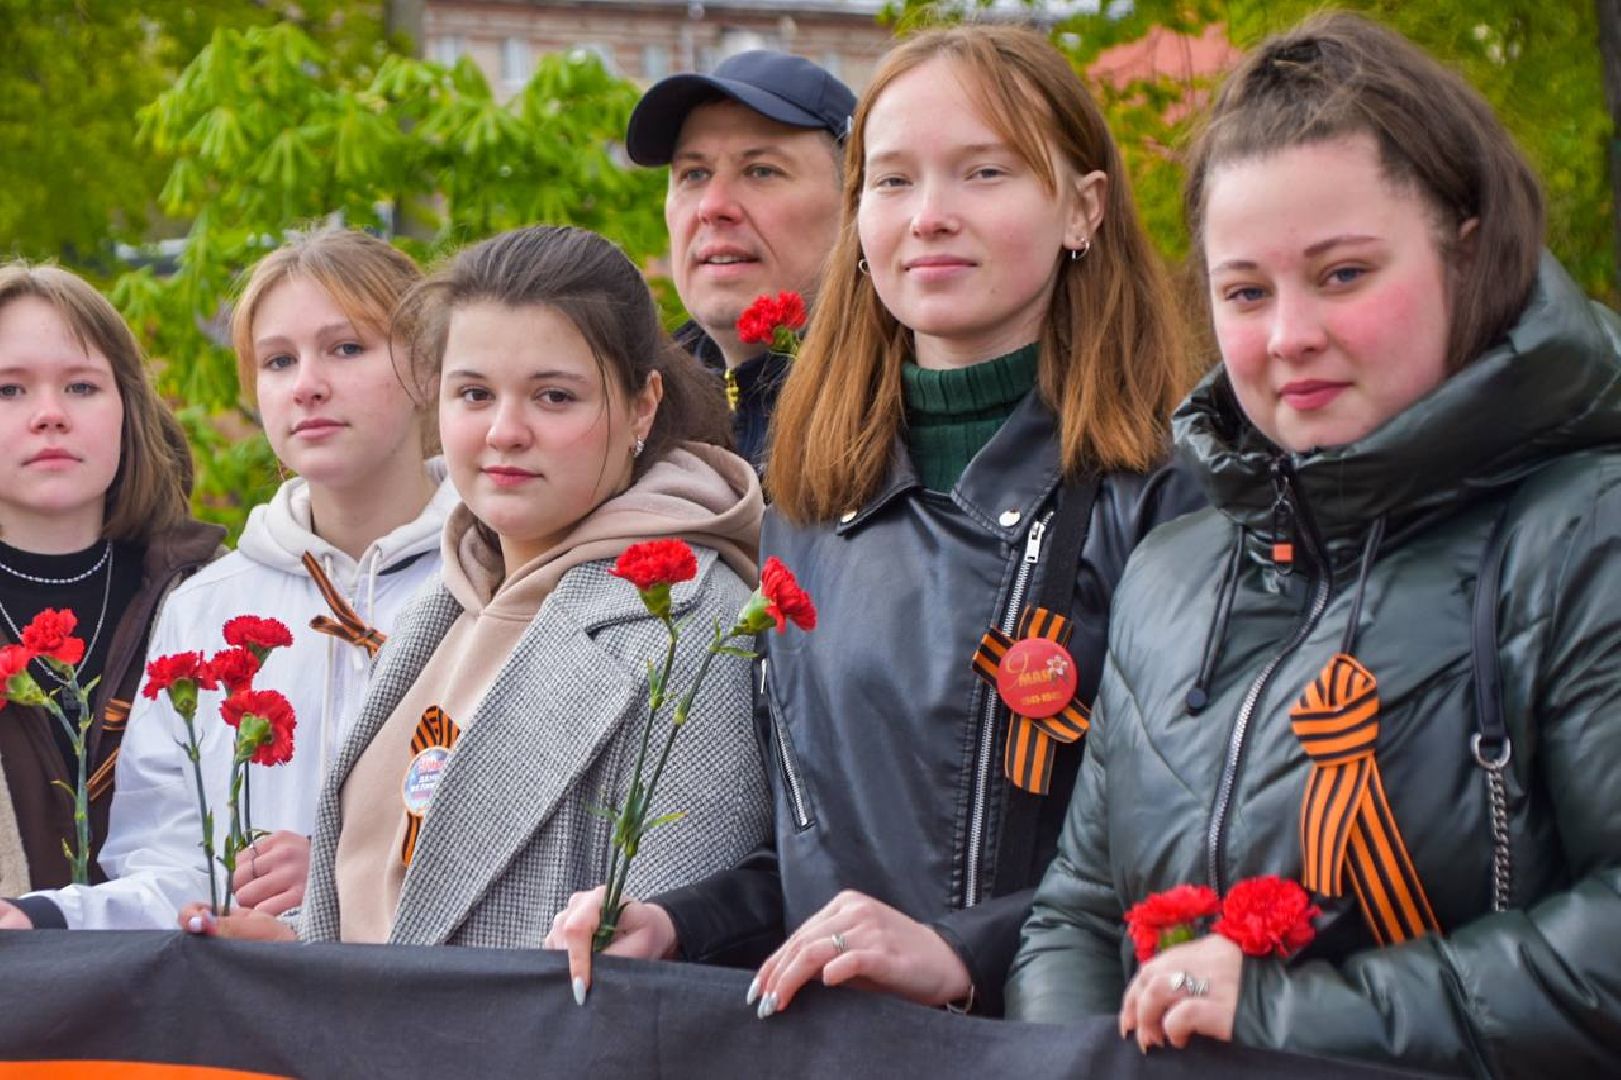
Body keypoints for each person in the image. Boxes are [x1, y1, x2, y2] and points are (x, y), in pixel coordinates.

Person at [1005, 13, 1621, 1076]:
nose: (1287, 335)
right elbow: (1076, 915)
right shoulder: (1170, 572)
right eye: (1245, 291)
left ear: (1465, 256)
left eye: (1341, 275)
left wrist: (1287, 1019)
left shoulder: (1587, 536)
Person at [549, 25, 1204, 1016]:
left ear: (1083, 207)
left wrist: (966, 953)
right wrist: (682, 922)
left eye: (982, 172)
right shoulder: (809, 499)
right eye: (892, 182)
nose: (929, 216)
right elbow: (814, 856)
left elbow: (1200, 852)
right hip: (834, 1046)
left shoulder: (1169, 497)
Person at [181, 225, 770, 951]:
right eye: (474, 393)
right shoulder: (455, 595)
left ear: (641, 407)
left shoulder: (686, 623)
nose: (504, 431)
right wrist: (299, 950)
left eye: (554, 397)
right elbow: (405, 908)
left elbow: (650, 984)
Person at [0, 228, 454, 930]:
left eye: (347, 348)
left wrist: (350, 866)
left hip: (451, 1005)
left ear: (427, 369)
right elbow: (169, 869)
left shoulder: (497, 580)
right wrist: (45, 921)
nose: (308, 385)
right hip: (243, 1016)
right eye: (278, 361)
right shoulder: (211, 605)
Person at [0, 263, 223, 902]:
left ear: (127, 406)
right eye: (9, 390)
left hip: (182, 979)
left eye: (81, 387)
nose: (49, 415)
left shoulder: (210, 596)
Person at [626, 50, 855, 470]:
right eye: (694, 174)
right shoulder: (628, 418)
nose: (712, 207)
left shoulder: (911, 413)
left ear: (855, 204)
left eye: (761, 171)